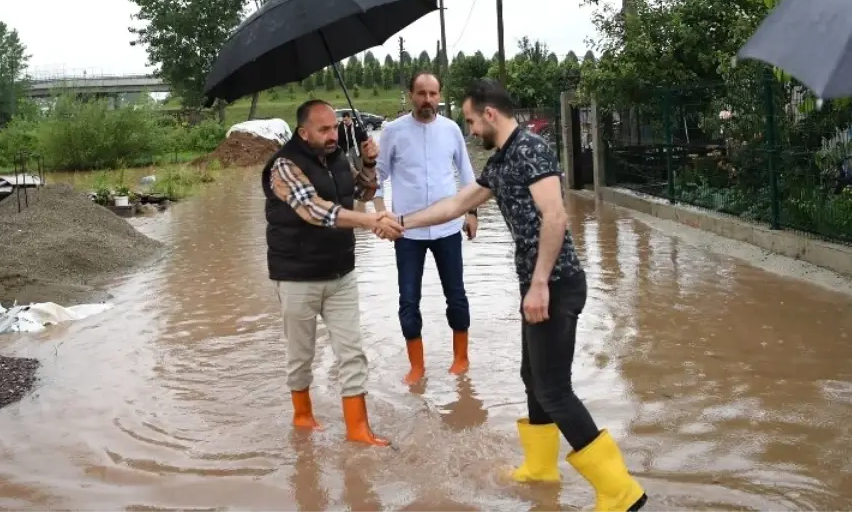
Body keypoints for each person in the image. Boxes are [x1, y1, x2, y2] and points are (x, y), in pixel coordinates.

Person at [385, 79, 648, 511]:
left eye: (471, 120)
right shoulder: (503, 159)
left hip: (556, 283)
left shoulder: (530, 149)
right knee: (534, 380)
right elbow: (456, 205)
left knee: (554, 390)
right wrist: (400, 221)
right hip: (538, 284)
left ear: (490, 114)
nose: (469, 130)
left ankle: (621, 492)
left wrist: (541, 282)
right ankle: (541, 469)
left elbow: (556, 215)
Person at [262, 99, 400, 447]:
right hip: (296, 277)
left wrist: (369, 162)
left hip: (341, 273)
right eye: (323, 129)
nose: (332, 134)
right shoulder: (283, 166)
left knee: (352, 352)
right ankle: (303, 417)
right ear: (302, 131)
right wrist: (370, 221)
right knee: (301, 356)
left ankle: (358, 429)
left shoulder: (337, 157)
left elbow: (363, 192)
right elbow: (314, 210)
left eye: (334, 127)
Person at [373, 71, 478, 384]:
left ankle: (461, 358)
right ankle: (416, 366)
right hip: (407, 232)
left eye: (433, 94)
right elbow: (377, 177)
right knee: (408, 299)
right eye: (421, 94)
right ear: (410, 95)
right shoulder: (392, 131)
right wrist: (381, 215)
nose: (427, 101)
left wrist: (472, 211)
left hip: (448, 228)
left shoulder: (451, 130)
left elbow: (467, 173)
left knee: (456, 296)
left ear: (440, 96)